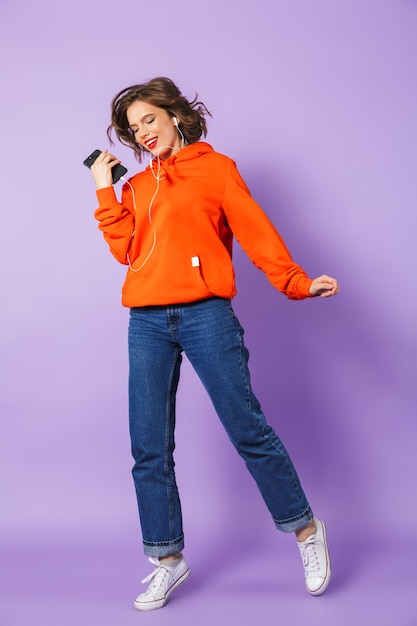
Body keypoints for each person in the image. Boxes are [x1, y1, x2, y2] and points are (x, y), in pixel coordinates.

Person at [89, 76, 339, 612]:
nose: (144, 133)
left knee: (248, 428)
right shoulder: (135, 187)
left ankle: (307, 530)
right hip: (147, 321)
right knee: (148, 446)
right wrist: (105, 190)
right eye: (134, 129)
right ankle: (167, 560)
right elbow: (124, 251)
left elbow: (256, 231)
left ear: (175, 115)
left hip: (207, 314)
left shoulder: (216, 169)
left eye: (150, 119)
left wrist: (295, 282)